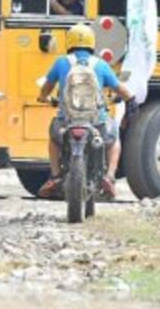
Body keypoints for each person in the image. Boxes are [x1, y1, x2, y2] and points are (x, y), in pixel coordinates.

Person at [36, 23, 133, 201]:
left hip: (67, 121)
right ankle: (110, 177)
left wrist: (43, 98)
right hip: (97, 122)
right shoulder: (101, 65)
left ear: (69, 42)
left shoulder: (61, 63)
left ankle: (56, 176)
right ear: (92, 43)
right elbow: (122, 90)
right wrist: (130, 102)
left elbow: (45, 89)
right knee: (114, 140)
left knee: (54, 138)